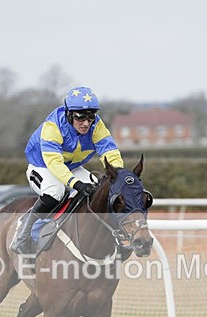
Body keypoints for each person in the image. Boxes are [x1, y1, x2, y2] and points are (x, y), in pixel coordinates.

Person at [9, 86, 125, 255]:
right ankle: (24, 229)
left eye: (90, 117)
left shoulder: (96, 125)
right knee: (56, 191)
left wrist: (118, 174)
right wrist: (75, 183)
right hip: (43, 166)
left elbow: (109, 150)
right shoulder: (52, 126)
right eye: (80, 117)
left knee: (98, 190)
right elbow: (55, 164)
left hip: (71, 166)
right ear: (69, 114)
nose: (86, 123)